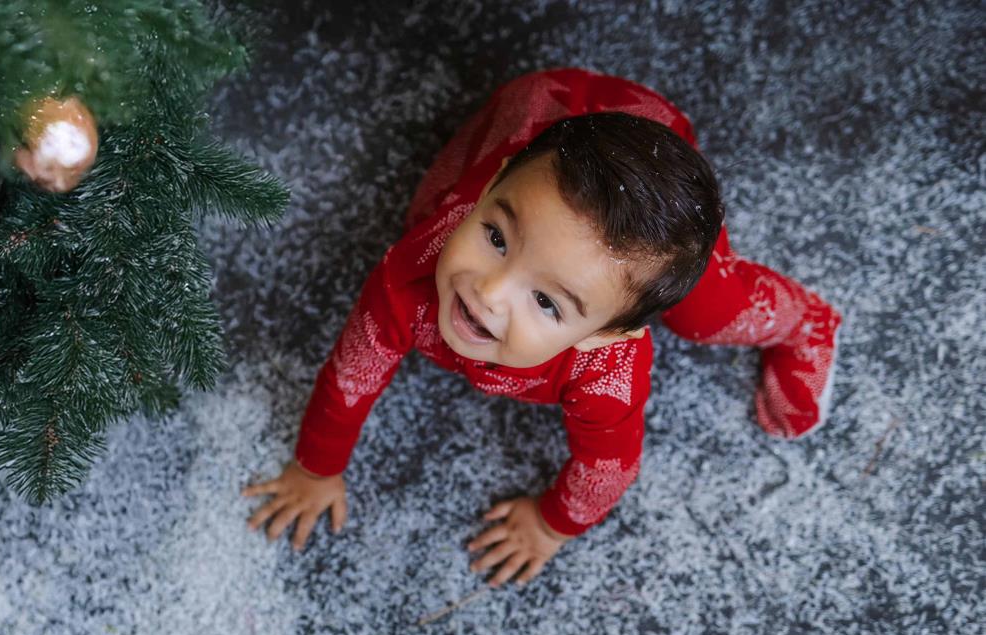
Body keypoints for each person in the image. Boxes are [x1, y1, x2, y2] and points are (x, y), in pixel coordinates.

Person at [241, 66, 843, 589]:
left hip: (657, 190)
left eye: (548, 304)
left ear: (607, 338)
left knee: (708, 311)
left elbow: (609, 468)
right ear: (498, 179)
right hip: (543, 114)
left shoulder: (607, 374)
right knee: (432, 203)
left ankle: (807, 320)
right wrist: (314, 467)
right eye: (495, 237)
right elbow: (352, 374)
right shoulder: (416, 268)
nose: (490, 291)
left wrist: (551, 524)